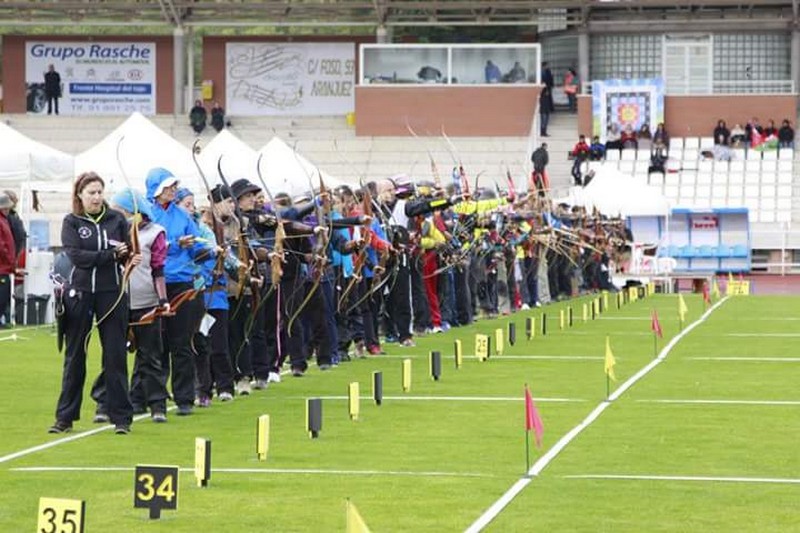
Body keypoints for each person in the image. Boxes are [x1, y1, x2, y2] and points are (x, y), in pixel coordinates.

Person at [48, 172, 137, 435]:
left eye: (100, 192)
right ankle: (65, 417)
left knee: (115, 355)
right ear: (80, 195)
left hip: (112, 293)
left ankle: (121, 418)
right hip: (81, 293)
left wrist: (130, 257)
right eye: (91, 193)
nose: (97, 197)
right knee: (75, 356)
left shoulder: (116, 219)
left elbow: (127, 252)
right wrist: (110, 255)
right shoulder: (72, 221)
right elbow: (77, 256)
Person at [0, 194, 16, 326]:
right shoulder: (1, 221)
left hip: (5, 267)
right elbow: (2, 245)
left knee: (4, 296)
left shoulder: (4, 220)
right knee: (2, 296)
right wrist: (10, 260)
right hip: (2, 267)